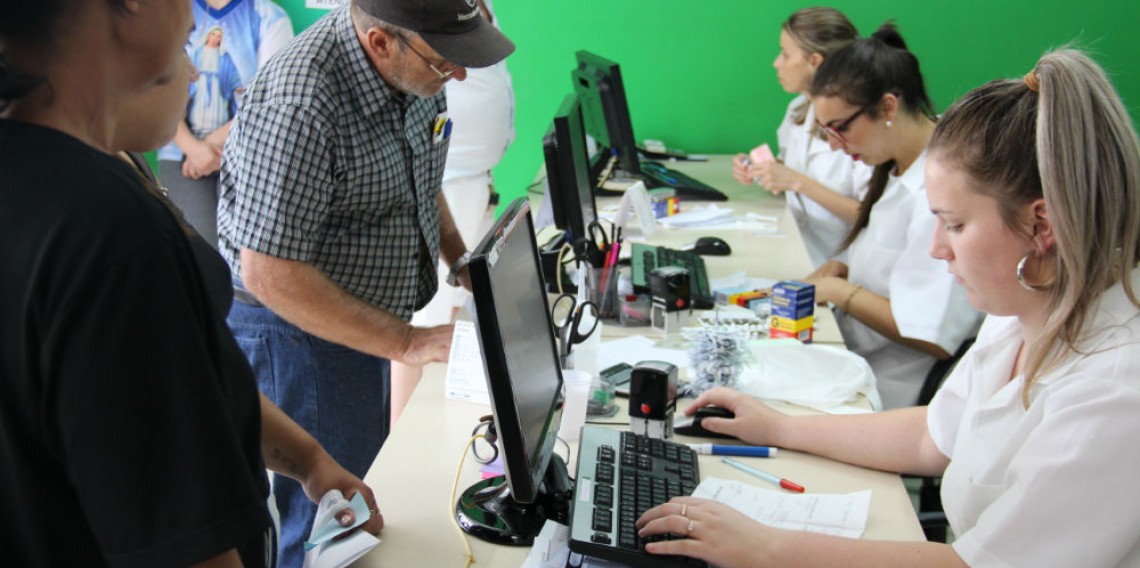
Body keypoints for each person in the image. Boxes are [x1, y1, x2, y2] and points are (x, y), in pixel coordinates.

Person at [636, 48, 1140, 567]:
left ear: (1041, 227)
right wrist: (779, 428)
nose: (937, 249)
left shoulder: (1114, 392)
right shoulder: (1024, 308)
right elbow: (932, 436)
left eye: (955, 225)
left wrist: (767, 548)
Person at [1, 1, 368, 566]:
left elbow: (172, 375)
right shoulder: (108, 231)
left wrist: (308, 460)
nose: (193, 20)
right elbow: (179, 539)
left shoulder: (77, 171)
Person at [215, 0, 515, 565]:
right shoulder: (300, 103)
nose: (458, 74)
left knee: (360, 498)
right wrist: (406, 342)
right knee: (328, 521)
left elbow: (418, 177)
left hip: (361, 322)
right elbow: (268, 270)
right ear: (380, 42)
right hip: (297, 333)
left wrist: (463, 262)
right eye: (445, 61)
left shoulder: (416, 64)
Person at [799, 24, 981, 409]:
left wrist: (839, 292)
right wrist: (842, 270)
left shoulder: (939, 192)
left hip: (892, 391)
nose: (833, 145)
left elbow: (932, 334)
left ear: (887, 107)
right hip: (857, 362)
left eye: (839, 128)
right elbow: (892, 263)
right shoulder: (895, 167)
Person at [390, 0, 516, 426]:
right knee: (423, 326)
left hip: (475, 180)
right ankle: (401, 438)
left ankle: (433, 425)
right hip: (447, 181)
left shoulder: (483, 5)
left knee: (459, 313)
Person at [731, 7, 868, 267]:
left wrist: (796, 181)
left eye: (785, 54)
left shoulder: (860, 125)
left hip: (842, 264)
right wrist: (765, 170)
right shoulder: (798, 110)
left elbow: (871, 216)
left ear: (815, 62)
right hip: (798, 245)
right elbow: (794, 173)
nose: (776, 63)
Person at [158, 0, 294, 249]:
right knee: (198, 249)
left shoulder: (269, 17)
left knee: (242, 251)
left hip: (247, 154)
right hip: (181, 156)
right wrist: (191, 147)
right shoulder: (171, 10)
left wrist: (207, 145)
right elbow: (156, 84)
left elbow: (271, 99)